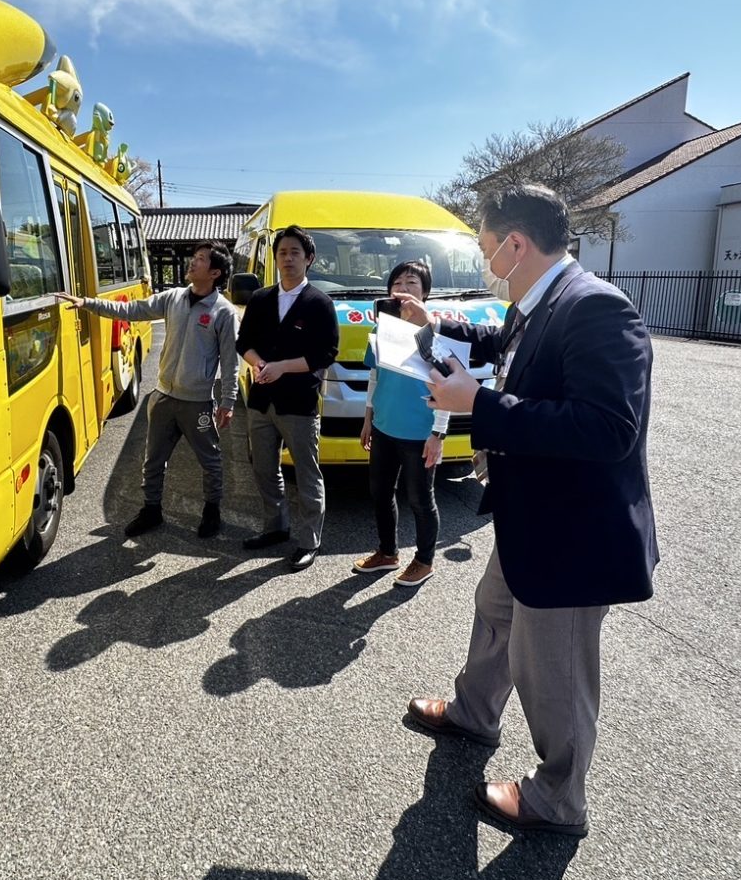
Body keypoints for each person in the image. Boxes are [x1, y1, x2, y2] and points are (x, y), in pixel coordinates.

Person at [395, 182, 659, 839]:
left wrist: (478, 406)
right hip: (531, 517)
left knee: (556, 670)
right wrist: (436, 324)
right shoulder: (535, 301)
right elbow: (499, 342)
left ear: (514, 244)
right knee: (495, 611)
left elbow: (607, 429)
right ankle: (474, 711)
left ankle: (558, 798)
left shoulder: (597, 308)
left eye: (486, 247)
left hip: (573, 535)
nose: (485, 261)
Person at [55, 241, 237, 539]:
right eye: (194, 256)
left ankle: (211, 512)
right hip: (163, 397)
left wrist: (228, 401)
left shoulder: (224, 312)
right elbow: (132, 309)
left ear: (215, 272)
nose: (193, 262)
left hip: (197, 403)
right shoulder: (173, 298)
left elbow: (230, 362)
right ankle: (151, 510)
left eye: (201, 259)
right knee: (153, 460)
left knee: (210, 461)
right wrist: (88, 303)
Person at [235, 225, 339, 570]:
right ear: (275, 258)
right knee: (264, 467)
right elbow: (243, 342)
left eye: (295, 252)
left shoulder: (320, 303)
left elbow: (326, 353)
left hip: (298, 402)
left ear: (309, 259)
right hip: (261, 401)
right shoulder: (261, 299)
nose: (288, 258)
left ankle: (309, 540)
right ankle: (275, 526)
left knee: (307, 473)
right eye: (282, 252)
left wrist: (282, 367)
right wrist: (258, 363)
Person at [352, 260, 450, 589]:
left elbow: (447, 387)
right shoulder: (381, 328)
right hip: (383, 426)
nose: (403, 289)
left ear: (425, 294)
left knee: (421, 500)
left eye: (411, 283)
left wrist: (438, 434)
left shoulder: (435, 332)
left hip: (420, 432)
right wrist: (368, 417)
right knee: (380, 493)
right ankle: (387, 552)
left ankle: (424, 561)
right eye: (397, 283)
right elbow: (375, 375)